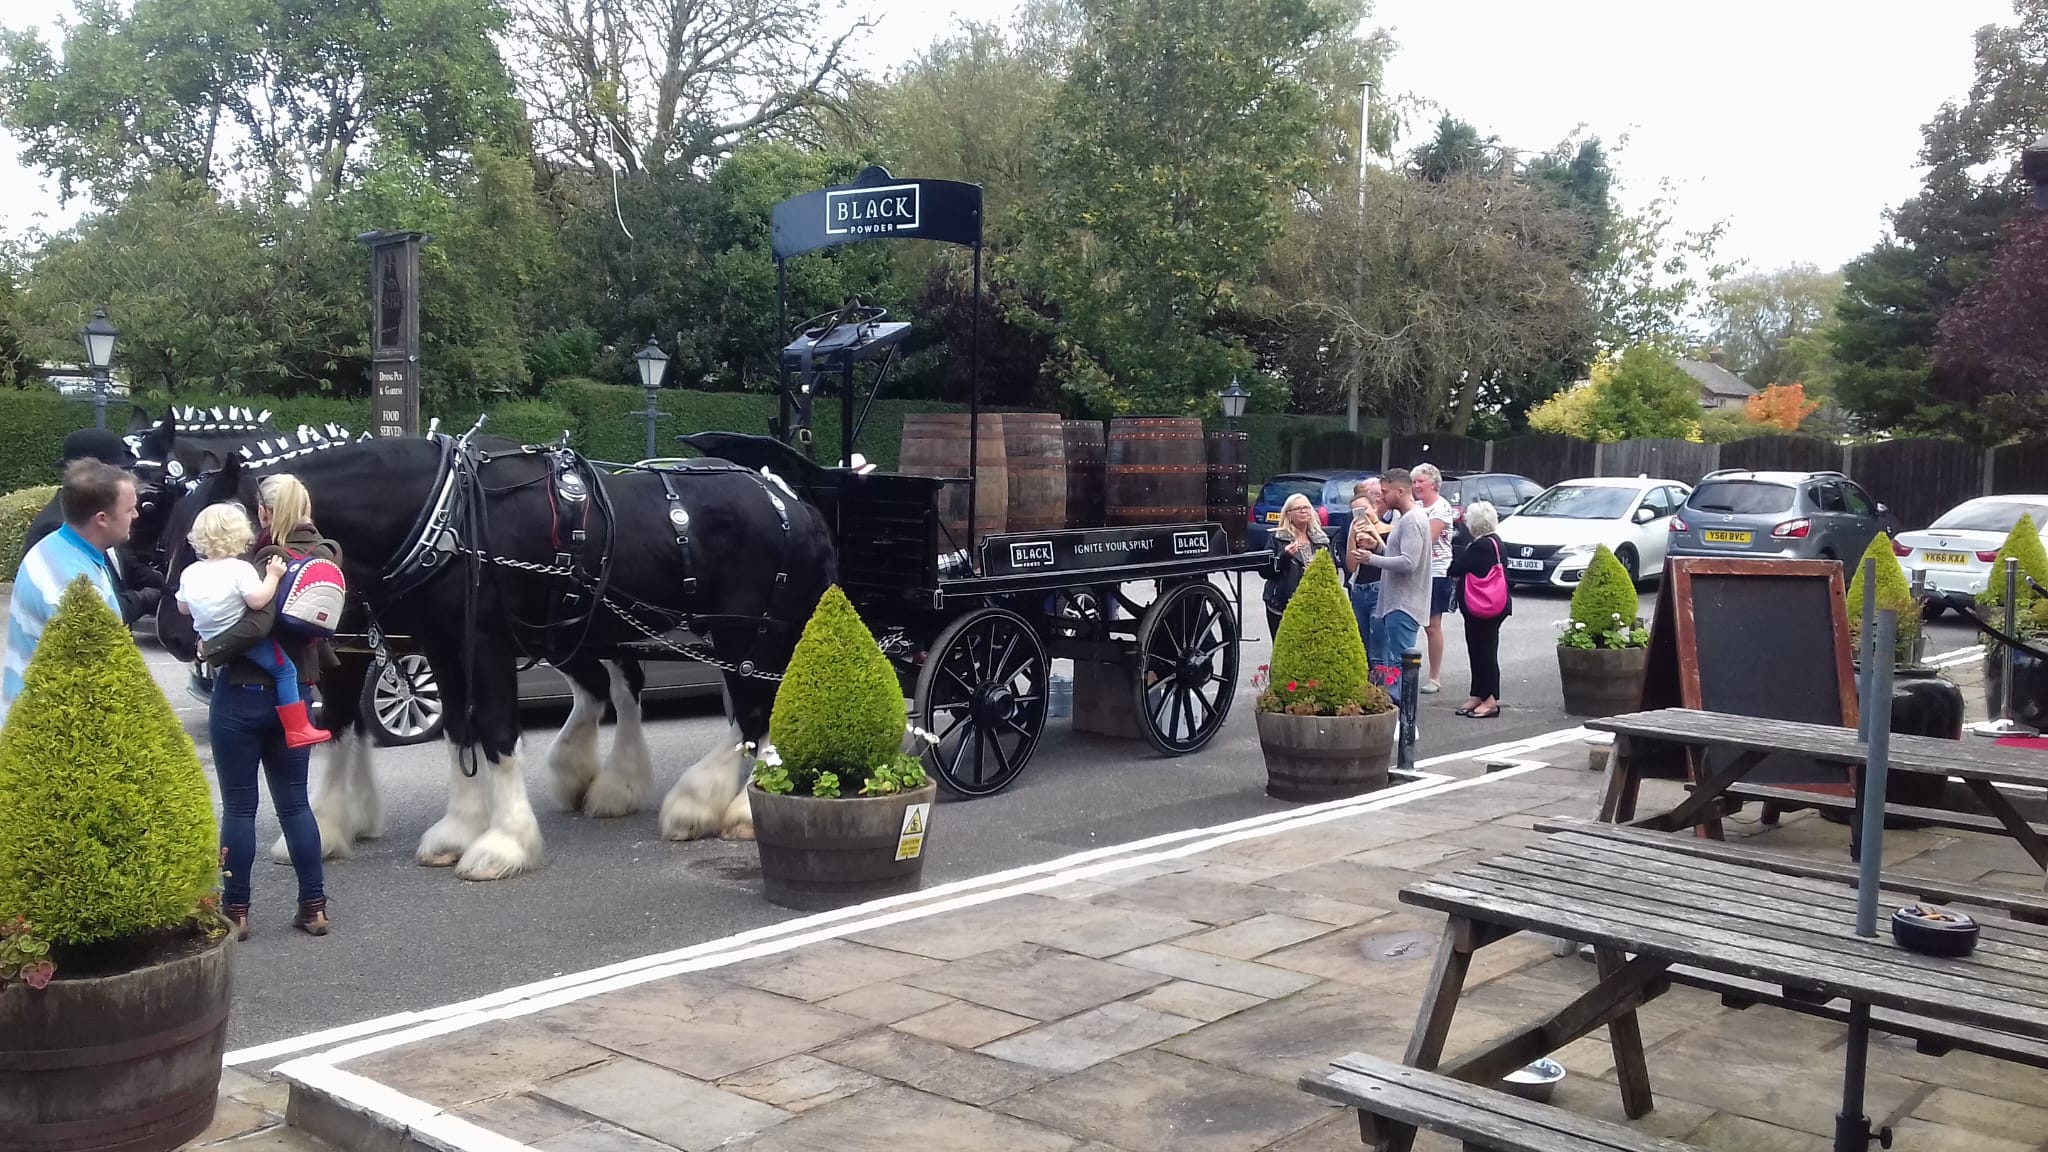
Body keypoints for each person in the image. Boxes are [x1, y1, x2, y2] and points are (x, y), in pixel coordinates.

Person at [200, 474, 337, 939]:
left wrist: (210, 648)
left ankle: (236, 913)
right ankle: (314, 907)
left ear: (263, 513)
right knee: (296, 805)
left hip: (242, 693)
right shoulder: (327, 555)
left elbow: (257, 625)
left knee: (239, 809)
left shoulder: (263, 559)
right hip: (295, 696)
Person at [176, 503, 329, 748]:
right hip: (242, 637)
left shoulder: (190, 572)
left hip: (209, 634)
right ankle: (298, 727)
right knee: (285, 670)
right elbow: (258, 601)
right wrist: (273, 575)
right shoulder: (241, 569)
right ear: (240, 535)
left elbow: (182, 608)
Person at [3, 460, 136, 724]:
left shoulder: (57, 547)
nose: (136, 516)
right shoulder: (72, 586)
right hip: (52, 732)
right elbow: (94, 682)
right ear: (102, 519)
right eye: (129, 509)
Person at [1360, 468, 1431, 702]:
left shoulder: (1412, 520)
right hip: (1397, 603)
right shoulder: (1407, 518)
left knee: (1399, 666)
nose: (1381, 497)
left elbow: (1409, 562)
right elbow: (1400, 554)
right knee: (1394, 665)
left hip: (1404, 604)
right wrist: (1379, 548)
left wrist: (1371, 559)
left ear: (1400, 491)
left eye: (1385, 492)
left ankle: (1406, 722)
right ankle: (1401, 718)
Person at [1447, 501, 1509, 718]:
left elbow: (1456, 568)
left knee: (1485, 652)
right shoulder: (1495, 542)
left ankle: (1490, 699)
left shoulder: (1481, 546)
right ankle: (1478, 694)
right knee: (1478, 649)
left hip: (1483, 608)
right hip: (1488, 606)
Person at [1411, 463, 1456, 695]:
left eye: (1421, 481)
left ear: (1433, 483)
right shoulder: (1415, 506)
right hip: (1412, 571)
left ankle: (1434, 677)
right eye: (1414, 482)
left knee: (1432, 626)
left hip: (1436, 571)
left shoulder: (1441, 507)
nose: (1416, 486)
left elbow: (1428, 536)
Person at [1263, 492, 1329, 638]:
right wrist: (1285, 556)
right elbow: (1266, 572)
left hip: (1312, 603)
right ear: (1288, 514)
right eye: (1298, 508)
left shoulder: (1321, 539)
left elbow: (1332, 573)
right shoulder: (1277, 538)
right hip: (1282, 603)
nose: (1303, 511)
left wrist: (1319, 567)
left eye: (1306, 507)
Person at [1344, 480, 1389, 643]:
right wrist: (1352, 537)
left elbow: (1389, 557)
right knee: (1361, 640)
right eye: (1357, 512)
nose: (1362, 514)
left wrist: (1374, 534)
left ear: (1374, 507)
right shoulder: (1357, 532)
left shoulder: (1391, 529)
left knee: (1378, 638)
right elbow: (1351, 566)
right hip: (1359, 588)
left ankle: (1381, 669)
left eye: (1365, 509)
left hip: (1380, 587)